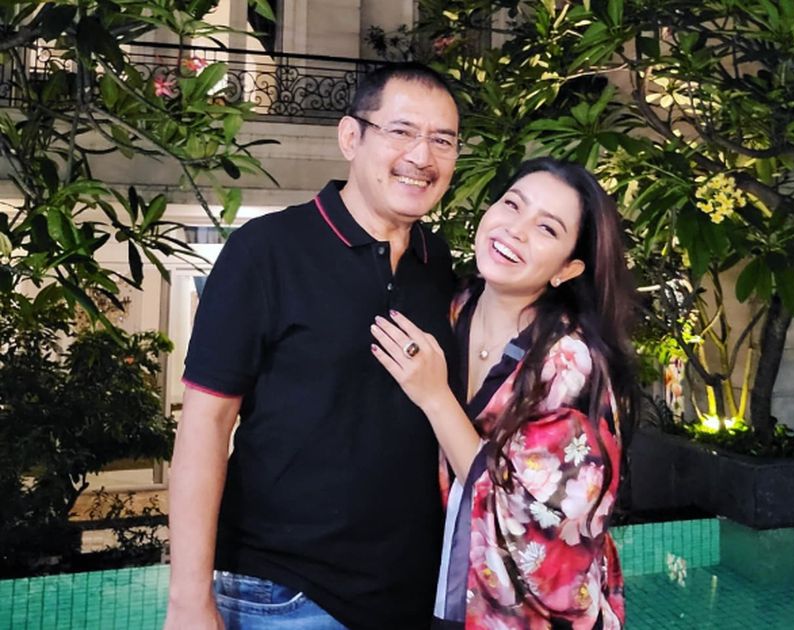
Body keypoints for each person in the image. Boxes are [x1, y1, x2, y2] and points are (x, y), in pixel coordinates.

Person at [163, 63, 461, 630]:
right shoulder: (267, 250)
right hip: (286, 594)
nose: (422, 156)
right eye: (401, 131)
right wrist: (188, 600)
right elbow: (205, 423)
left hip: (408, 594)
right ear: (351, 137)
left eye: (442, 140)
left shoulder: (437, 262)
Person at [370, 157, 635, 628]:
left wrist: (435, 397)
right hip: (420, 588)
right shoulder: (452, 307)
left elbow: (542, 525)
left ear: (568, 268)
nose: (515, 229)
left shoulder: (567, 362)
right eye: (512, 204)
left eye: (546, 228)